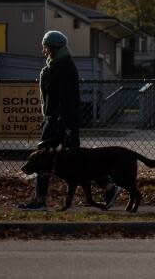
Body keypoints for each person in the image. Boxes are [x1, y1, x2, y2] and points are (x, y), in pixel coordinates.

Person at [19, 31, 122, 210]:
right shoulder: (58, 65)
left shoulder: (63, 68)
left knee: (44, 158)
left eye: (45, 46)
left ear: (52, 48)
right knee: (77, 159)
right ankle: (109, 187)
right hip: (59, 120)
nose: (43, 49)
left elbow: (66, 99)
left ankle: (40, 200)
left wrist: (63, 124)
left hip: (60, 121)